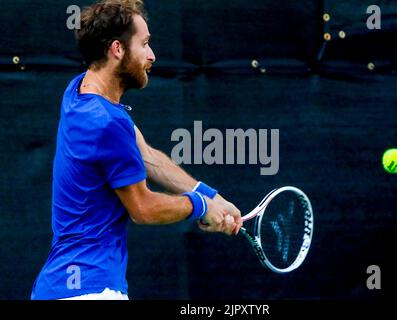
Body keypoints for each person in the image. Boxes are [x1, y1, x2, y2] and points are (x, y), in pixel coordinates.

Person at [31, 0, 242, 300]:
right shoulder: (108, 123)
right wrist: (199, 205)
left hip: (58, 288)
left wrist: (213, 197)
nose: (152, 55)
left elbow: (147, 156)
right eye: (144, 44)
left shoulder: (78, 92)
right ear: (117, 49)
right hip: (90, 291)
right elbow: (143, 208)